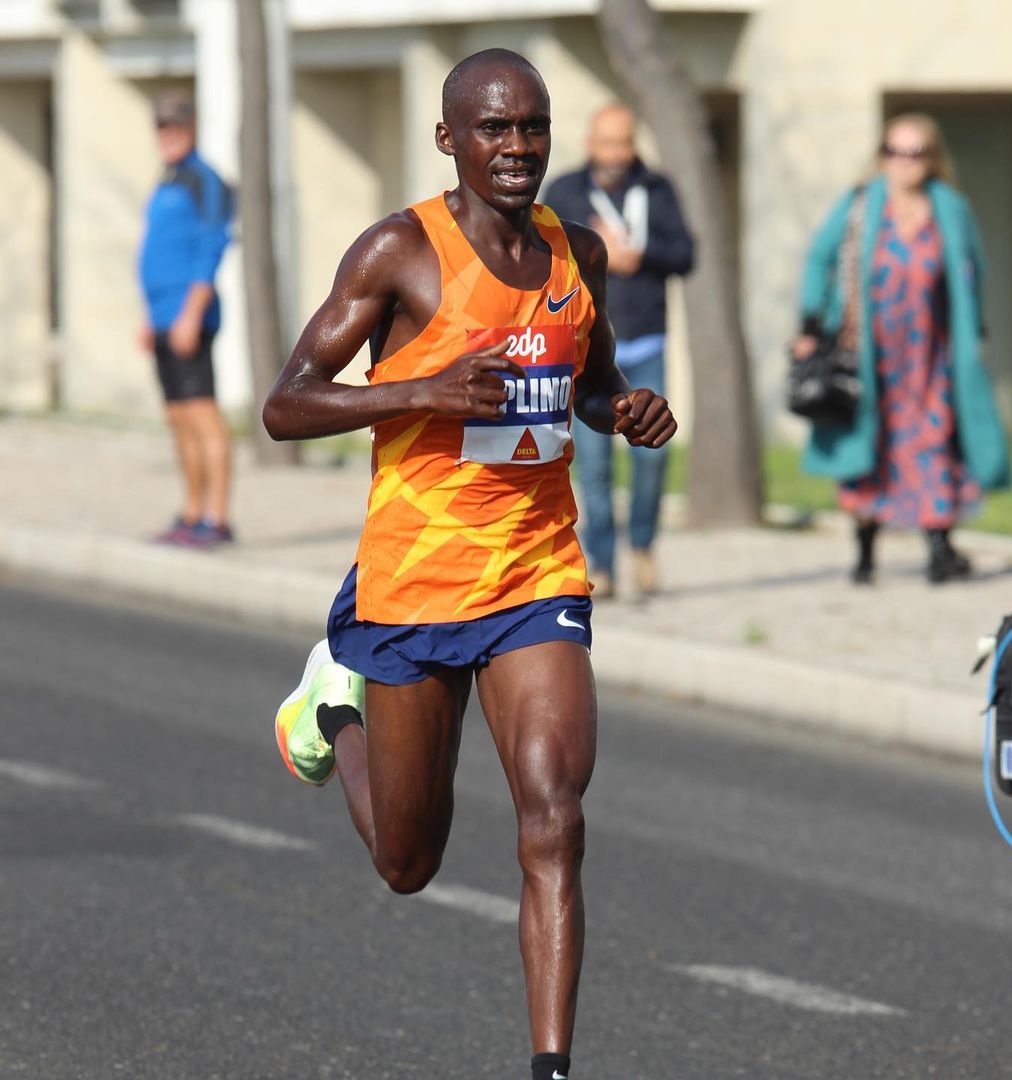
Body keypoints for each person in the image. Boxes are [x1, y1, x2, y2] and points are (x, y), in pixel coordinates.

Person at [262, 49, 676, 1080]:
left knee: (556, 811)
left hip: (536, 573)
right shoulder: (398, 252)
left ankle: (550, 1068)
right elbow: (287, 403)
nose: (518, 147)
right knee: (409, 863)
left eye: (533, 127)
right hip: (412, 580)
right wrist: (421, 392)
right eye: (494, 129)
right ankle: (331, 708)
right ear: (449, 139)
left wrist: (621, 408)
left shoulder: (577, 249)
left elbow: (591, 378)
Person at [794, 112, 1011, 584]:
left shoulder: (949, 208)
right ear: (882, 157)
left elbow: (972, 272)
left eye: (915, 153)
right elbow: (819, 257)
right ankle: (866, 551)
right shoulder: (860, 205)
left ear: (932, 159)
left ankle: (937, 547)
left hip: (930, 354)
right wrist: (811, 322)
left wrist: (976, 334)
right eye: (894, 151)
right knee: (869, 444)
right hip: (867, 354)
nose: (904, 162)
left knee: (933, 440)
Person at [543, 103, 693, 599]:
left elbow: (686, 253)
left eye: (624, 143)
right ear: (590, 144)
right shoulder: (565, 191)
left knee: (652, 454)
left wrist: (638, 255)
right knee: (594, 463)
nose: (616, 154)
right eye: (607, 143)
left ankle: (644, 546)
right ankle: (602, 564)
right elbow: (538, 254)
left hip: (645, 339)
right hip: (586, 350)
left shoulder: (656, 188)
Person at [137, 90, 235, 548]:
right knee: (177, 416)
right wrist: (148, 316)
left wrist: (190, 315)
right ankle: (190, 512)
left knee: (202, 415)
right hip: (160, 318)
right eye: (162, 126)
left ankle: (217, 518)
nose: (168, 134)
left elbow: (212, 247)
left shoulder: (204, 179)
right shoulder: (168, 179)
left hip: (188, 319)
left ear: (191, 127)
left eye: (175, 126)